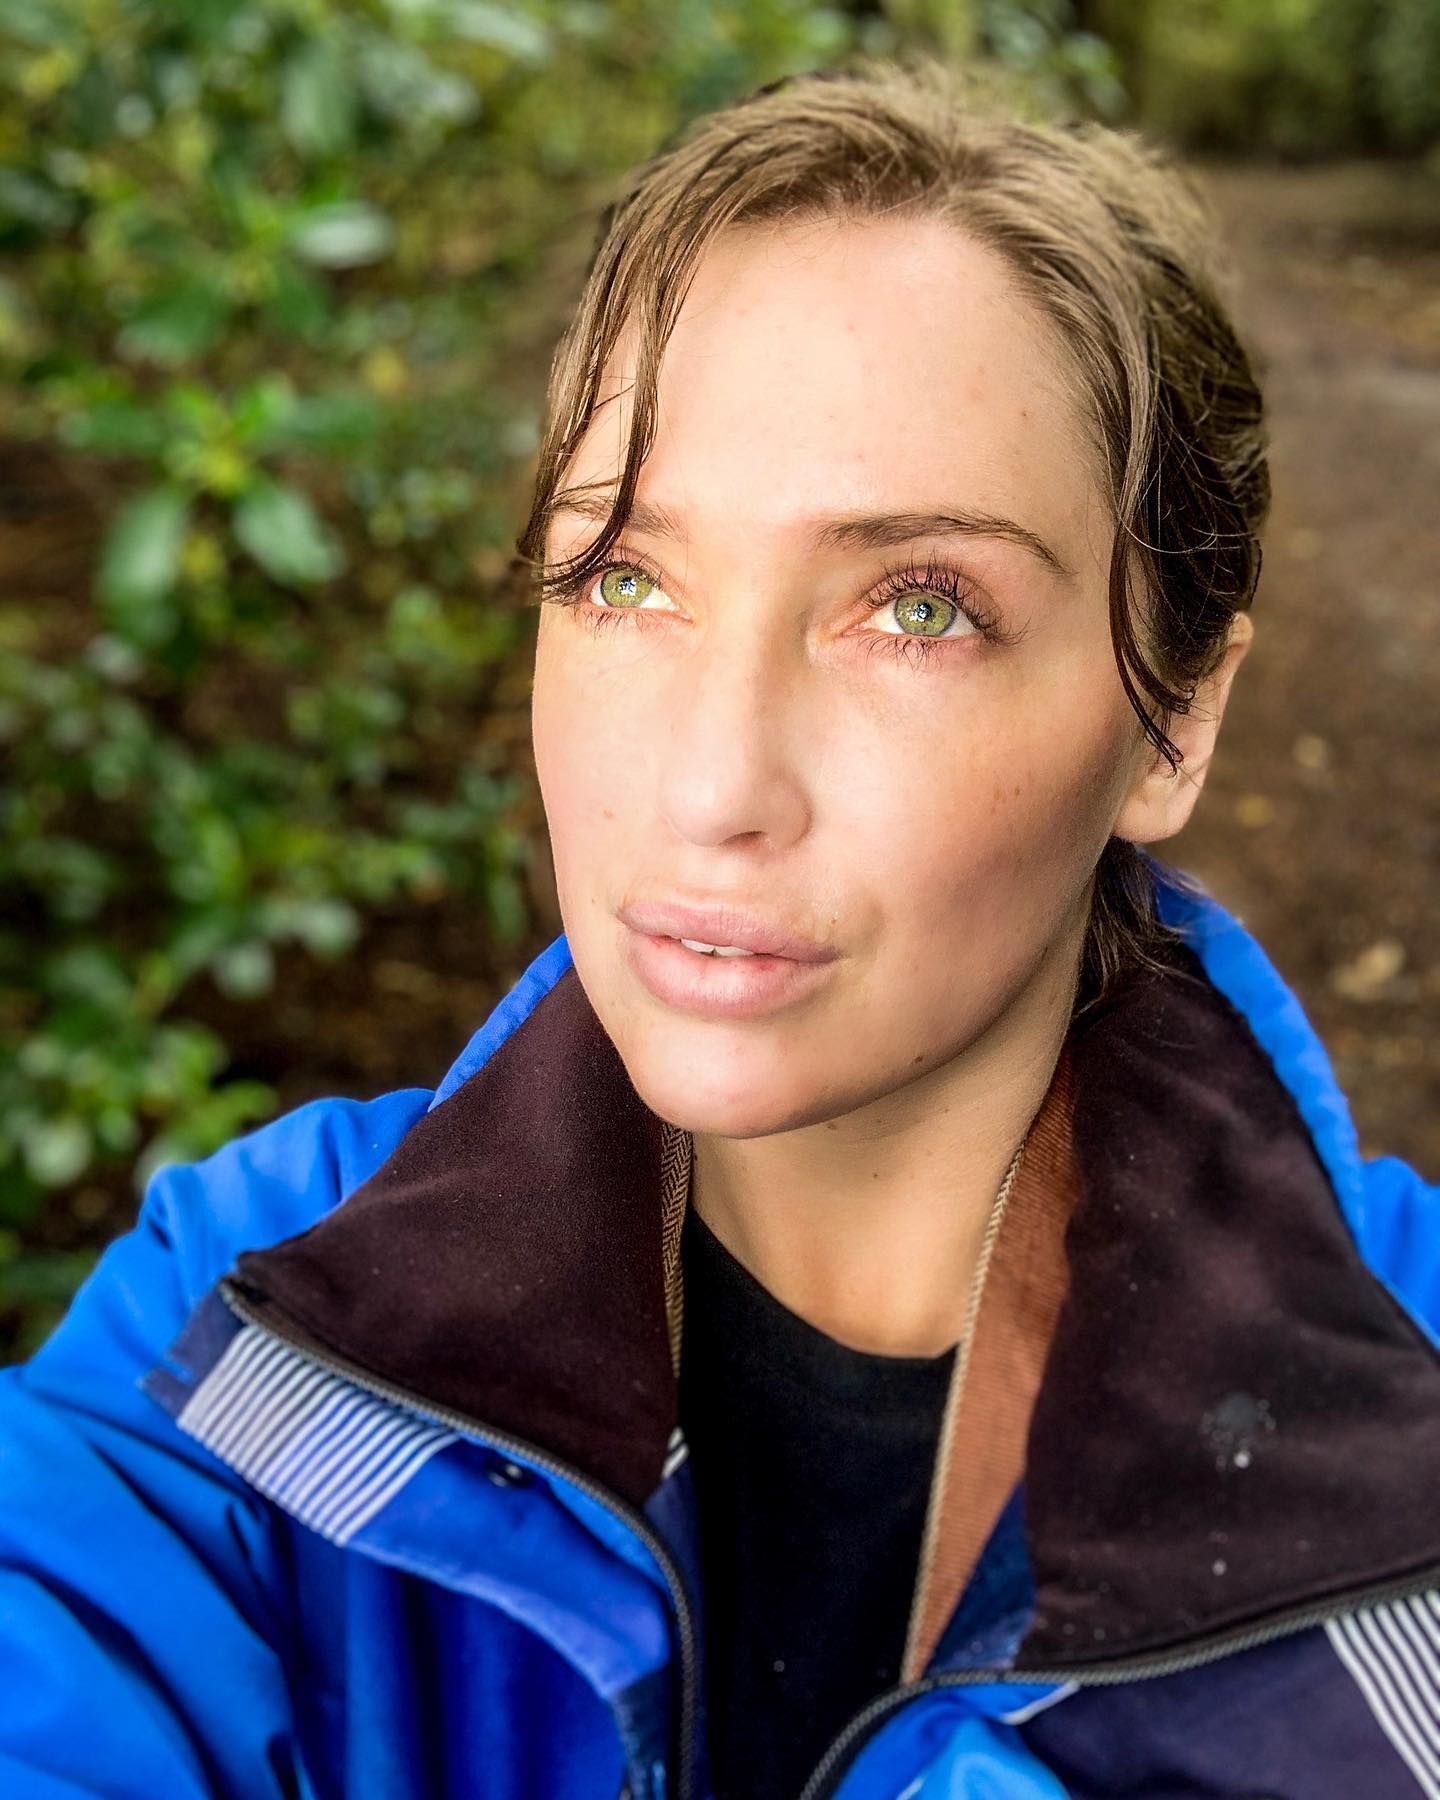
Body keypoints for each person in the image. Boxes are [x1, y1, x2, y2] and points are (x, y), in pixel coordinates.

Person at [2, 53, 1437, 1800]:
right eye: (624, 576)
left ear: (1175, 719)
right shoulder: (246, 1318)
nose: (712, 785)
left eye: (919, 608)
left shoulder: (1408, 1430)